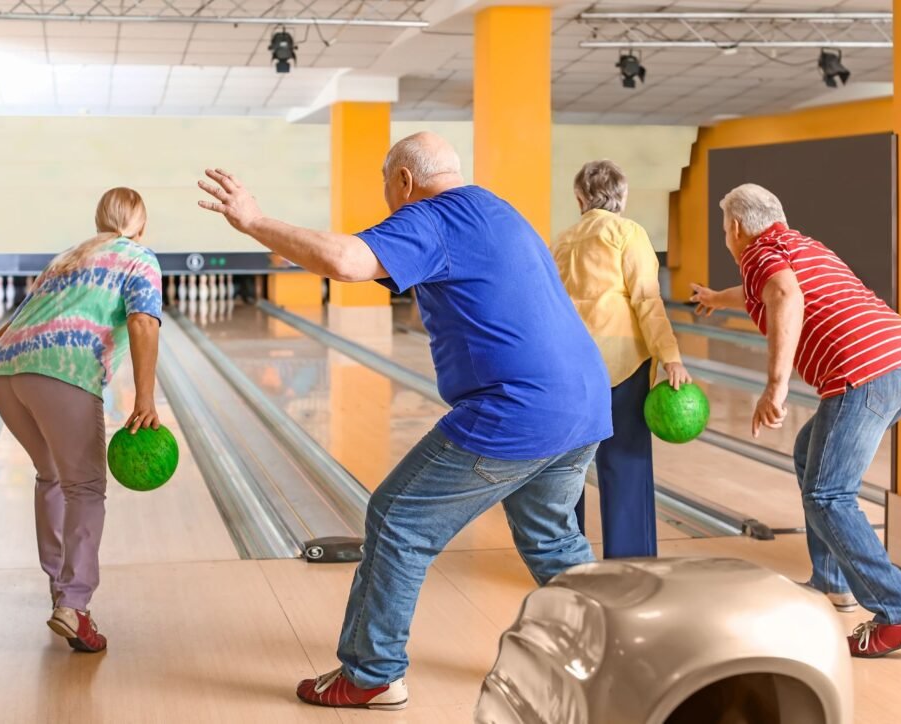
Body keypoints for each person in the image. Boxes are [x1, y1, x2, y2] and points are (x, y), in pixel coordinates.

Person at [198, 131, 612, 711]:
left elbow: (346, 260)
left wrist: (255, 221)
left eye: (386, 186)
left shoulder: (432, 217)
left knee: (397, 517)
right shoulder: (497, 209)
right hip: (585, 403)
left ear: (405, 182)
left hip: (516, 409)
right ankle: (612, 654)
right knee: (552, 537)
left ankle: (371, 673)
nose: (388, 200)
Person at [690, 183, 901, 658]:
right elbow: (770, 286)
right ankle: (832, 583)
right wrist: (719, 297)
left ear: (737, 228)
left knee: (828, 494)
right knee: (810, 455)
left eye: (724, 231)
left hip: (863, 373)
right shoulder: (799, 244)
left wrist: (775, 386)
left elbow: (781, 292)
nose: (727, 238)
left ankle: (900, 611)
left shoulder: (758, 253)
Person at [0, 188, 163, 653]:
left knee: (50, 475)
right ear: (142, 224)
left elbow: (17, 320)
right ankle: (74, 606)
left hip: (8, 374)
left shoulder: (67, 259)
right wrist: (146, 398)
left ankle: (61, 590)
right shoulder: (138, 256)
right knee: (85, 488)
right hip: (63, 372)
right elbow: (143, 323)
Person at [552, 159, 690, 559]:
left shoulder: (561, 240)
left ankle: (565, 560)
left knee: (566, 471)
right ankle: (630, 561)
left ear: (579, 198)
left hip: (569, 368)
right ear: (622, 197)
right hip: (620, 365)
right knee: (625, 464)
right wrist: (671, 357)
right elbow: (647, 299)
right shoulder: (627, 232)